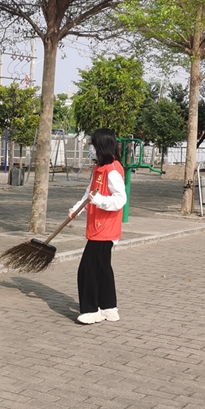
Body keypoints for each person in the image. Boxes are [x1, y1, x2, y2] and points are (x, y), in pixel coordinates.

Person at [69, 128, 127, 324]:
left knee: (88, 269)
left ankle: (91, 310)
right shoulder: (99, 168)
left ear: (101, 146)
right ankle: (109, 308)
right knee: (102, 269)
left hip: (105, 228)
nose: (91, 149)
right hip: (97, 226)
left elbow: (120, 199)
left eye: (93, 145)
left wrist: (99, 200)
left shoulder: (113, 169)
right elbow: (89, 193)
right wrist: (76, 209)